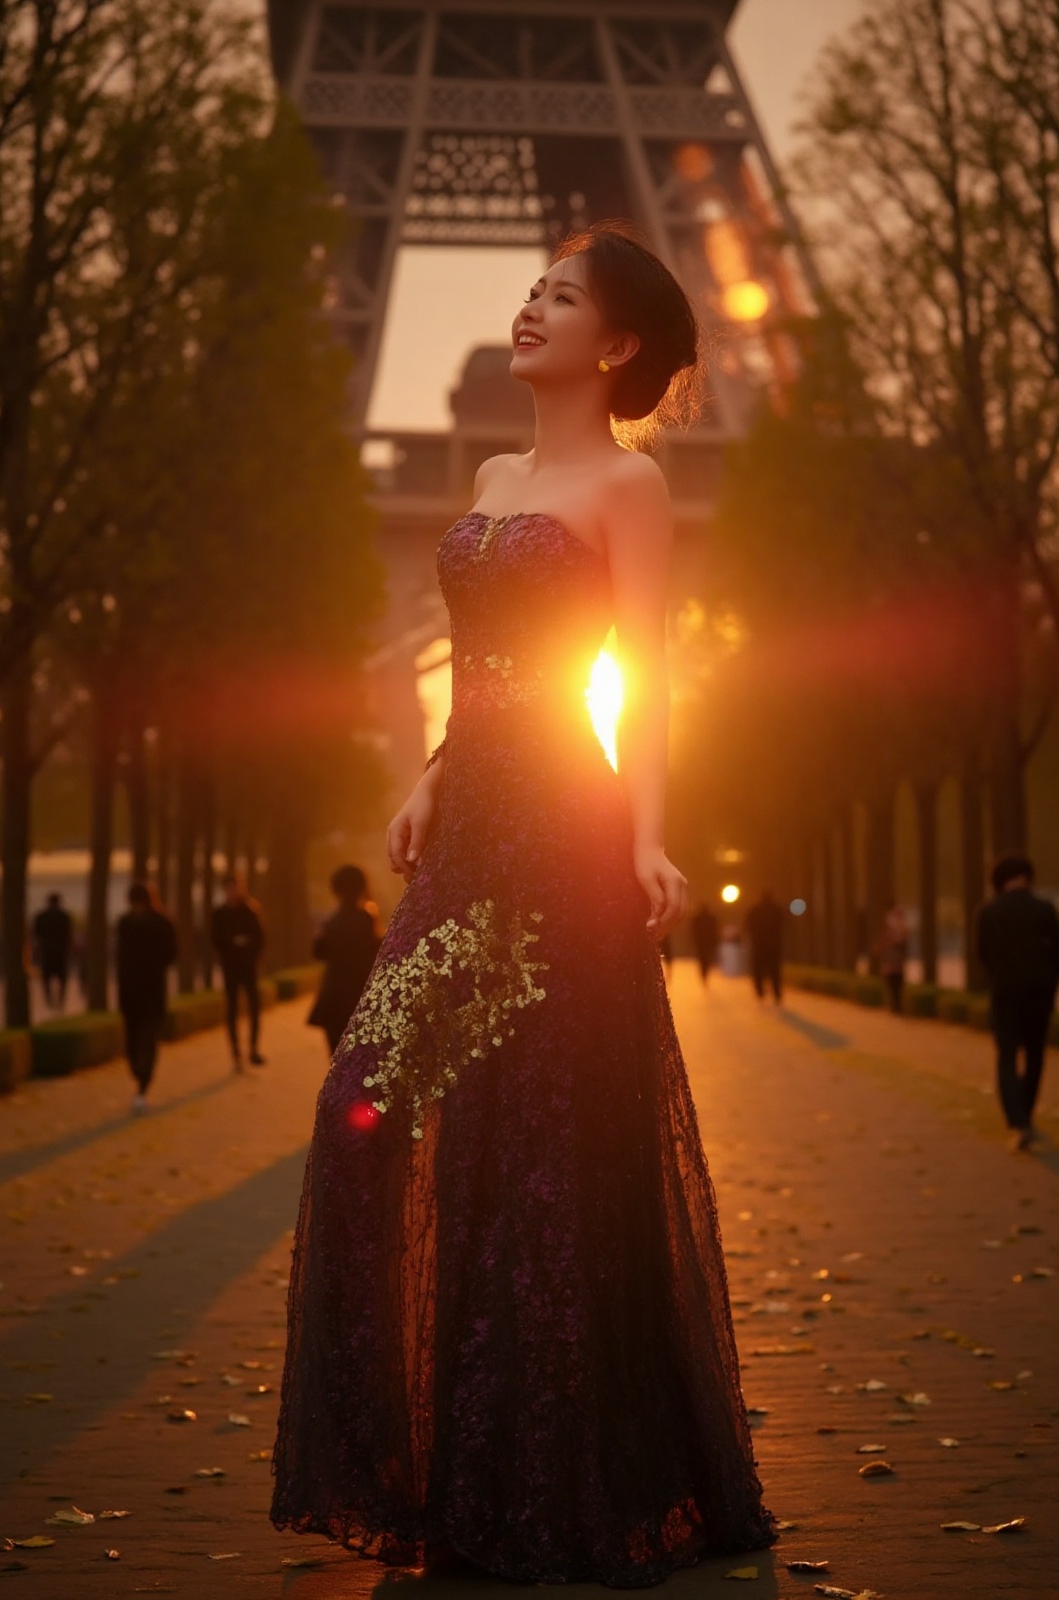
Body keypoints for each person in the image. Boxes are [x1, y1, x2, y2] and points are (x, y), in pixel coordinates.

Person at [272, 224, 773, 1584]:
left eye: (563, 296)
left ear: (615, 344)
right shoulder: (496, 473)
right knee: (367, 1101)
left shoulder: (629, 489)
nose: (532, 306)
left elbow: (646, 674)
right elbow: (482, 667)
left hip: (562, 821)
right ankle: (443, 1458)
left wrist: (654, 839)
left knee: (543, 1137)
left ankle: (551, 1480)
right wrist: (436, 771)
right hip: (473, 820)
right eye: (533, 289)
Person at [975, 854, 1059, 1152]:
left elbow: (982, 955)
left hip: (1004, 994)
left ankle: (1017, 1122)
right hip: (1038, 993)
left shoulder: (988, 913)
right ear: (1027, 877)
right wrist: (1050, 984)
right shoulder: (1044, 909)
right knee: (1035, 1055)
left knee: (1007, 1057)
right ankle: (1027, 1114)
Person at [307, 864, 383, 1057]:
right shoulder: (367, 920)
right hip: (360, 997)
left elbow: (318, 953)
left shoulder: (330, 922)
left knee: (336, 1058)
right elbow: (377, 954)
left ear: (335, 890)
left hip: (333, 999)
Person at [115, 882, 177, 1112]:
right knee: (133, 1039)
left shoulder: (161, 923)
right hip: (133, 991)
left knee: (148, 1038)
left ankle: (143, 1085)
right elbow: (120, 958)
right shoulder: (125, 923)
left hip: (149, 990)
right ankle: (138, 1073)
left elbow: (171, 953)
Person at [211, 873, 267, 1071]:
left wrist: (248, 949)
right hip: (230, 967)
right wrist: (232, 947)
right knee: (232, 1009)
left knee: (254, 1008)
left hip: (249, 966)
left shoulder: (250, 911)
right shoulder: (219, 914)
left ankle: (253, 1048)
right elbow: (216, 940)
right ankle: (235, 1053)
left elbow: (260, 938)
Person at [32, 892, 74, 1011]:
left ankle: (49, 1000)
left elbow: (36, 935)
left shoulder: (41, 917)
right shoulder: (64, 917)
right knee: (62, 979)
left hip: (46, 952)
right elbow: (69, 935)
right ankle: (60, 1000)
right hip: (61, 952)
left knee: (46, 978)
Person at [745, 890, 784, 1003]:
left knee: (758, 969)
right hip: (774, 945)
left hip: (758, 945)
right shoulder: (776, 909)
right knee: (775, 970)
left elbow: (748, 926)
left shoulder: (755, 910)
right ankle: (777, 992)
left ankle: (760, 990)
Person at [875, 904, 910, 1014]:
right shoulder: (889, 934)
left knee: (897, 988)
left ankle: (897, 1009)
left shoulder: (902, 933)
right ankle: (895, 1008)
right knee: (893, 988)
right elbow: (878, 948)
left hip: (897, 967)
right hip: (890, 967)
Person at [690, 901, 720, 986]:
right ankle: (705, 972)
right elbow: (715, 930)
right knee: (707, 958)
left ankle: (703, 972)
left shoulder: (696, 918)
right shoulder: (711, 918)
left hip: (700, 942)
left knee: (702, 958)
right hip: (708, 942)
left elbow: (693, 931)